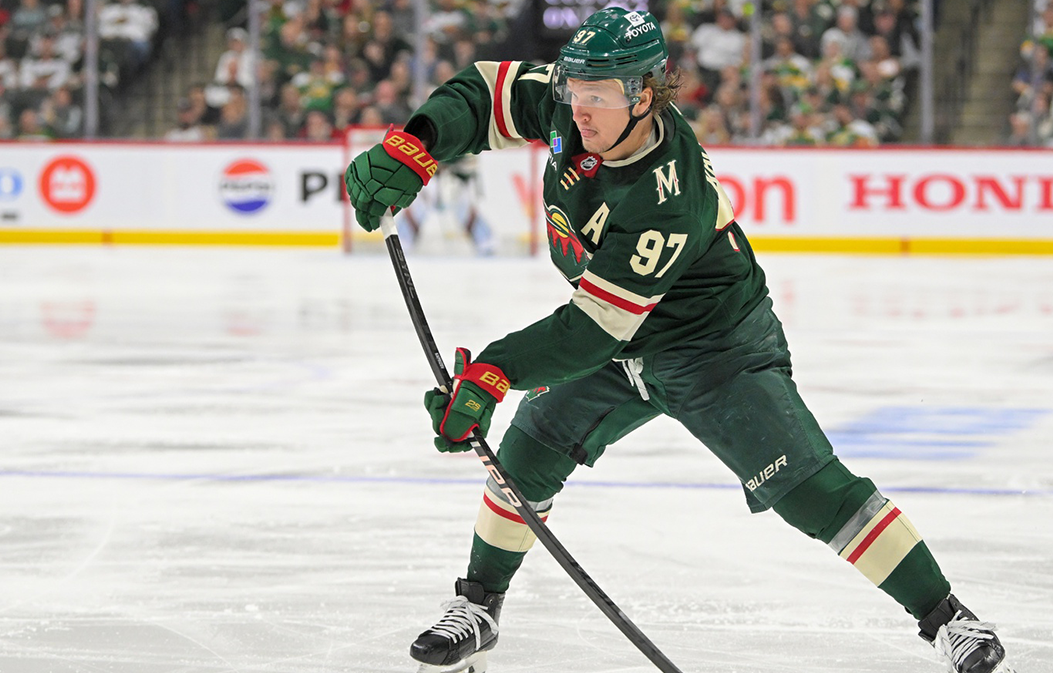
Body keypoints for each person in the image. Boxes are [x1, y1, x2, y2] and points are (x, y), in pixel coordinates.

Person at [344, 8, 1015, 673]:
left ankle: (948, 617)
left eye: (599, 97)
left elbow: (591, 330)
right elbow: (484, 91)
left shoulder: (669, 189)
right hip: (616, 339)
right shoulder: (574, 96)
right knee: (524, 455)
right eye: (577, 91)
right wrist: (416, 144)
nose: (580, 110)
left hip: (713, 344)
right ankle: (480, 605)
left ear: (645, 94)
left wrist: (493, 370)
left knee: (811, 489)